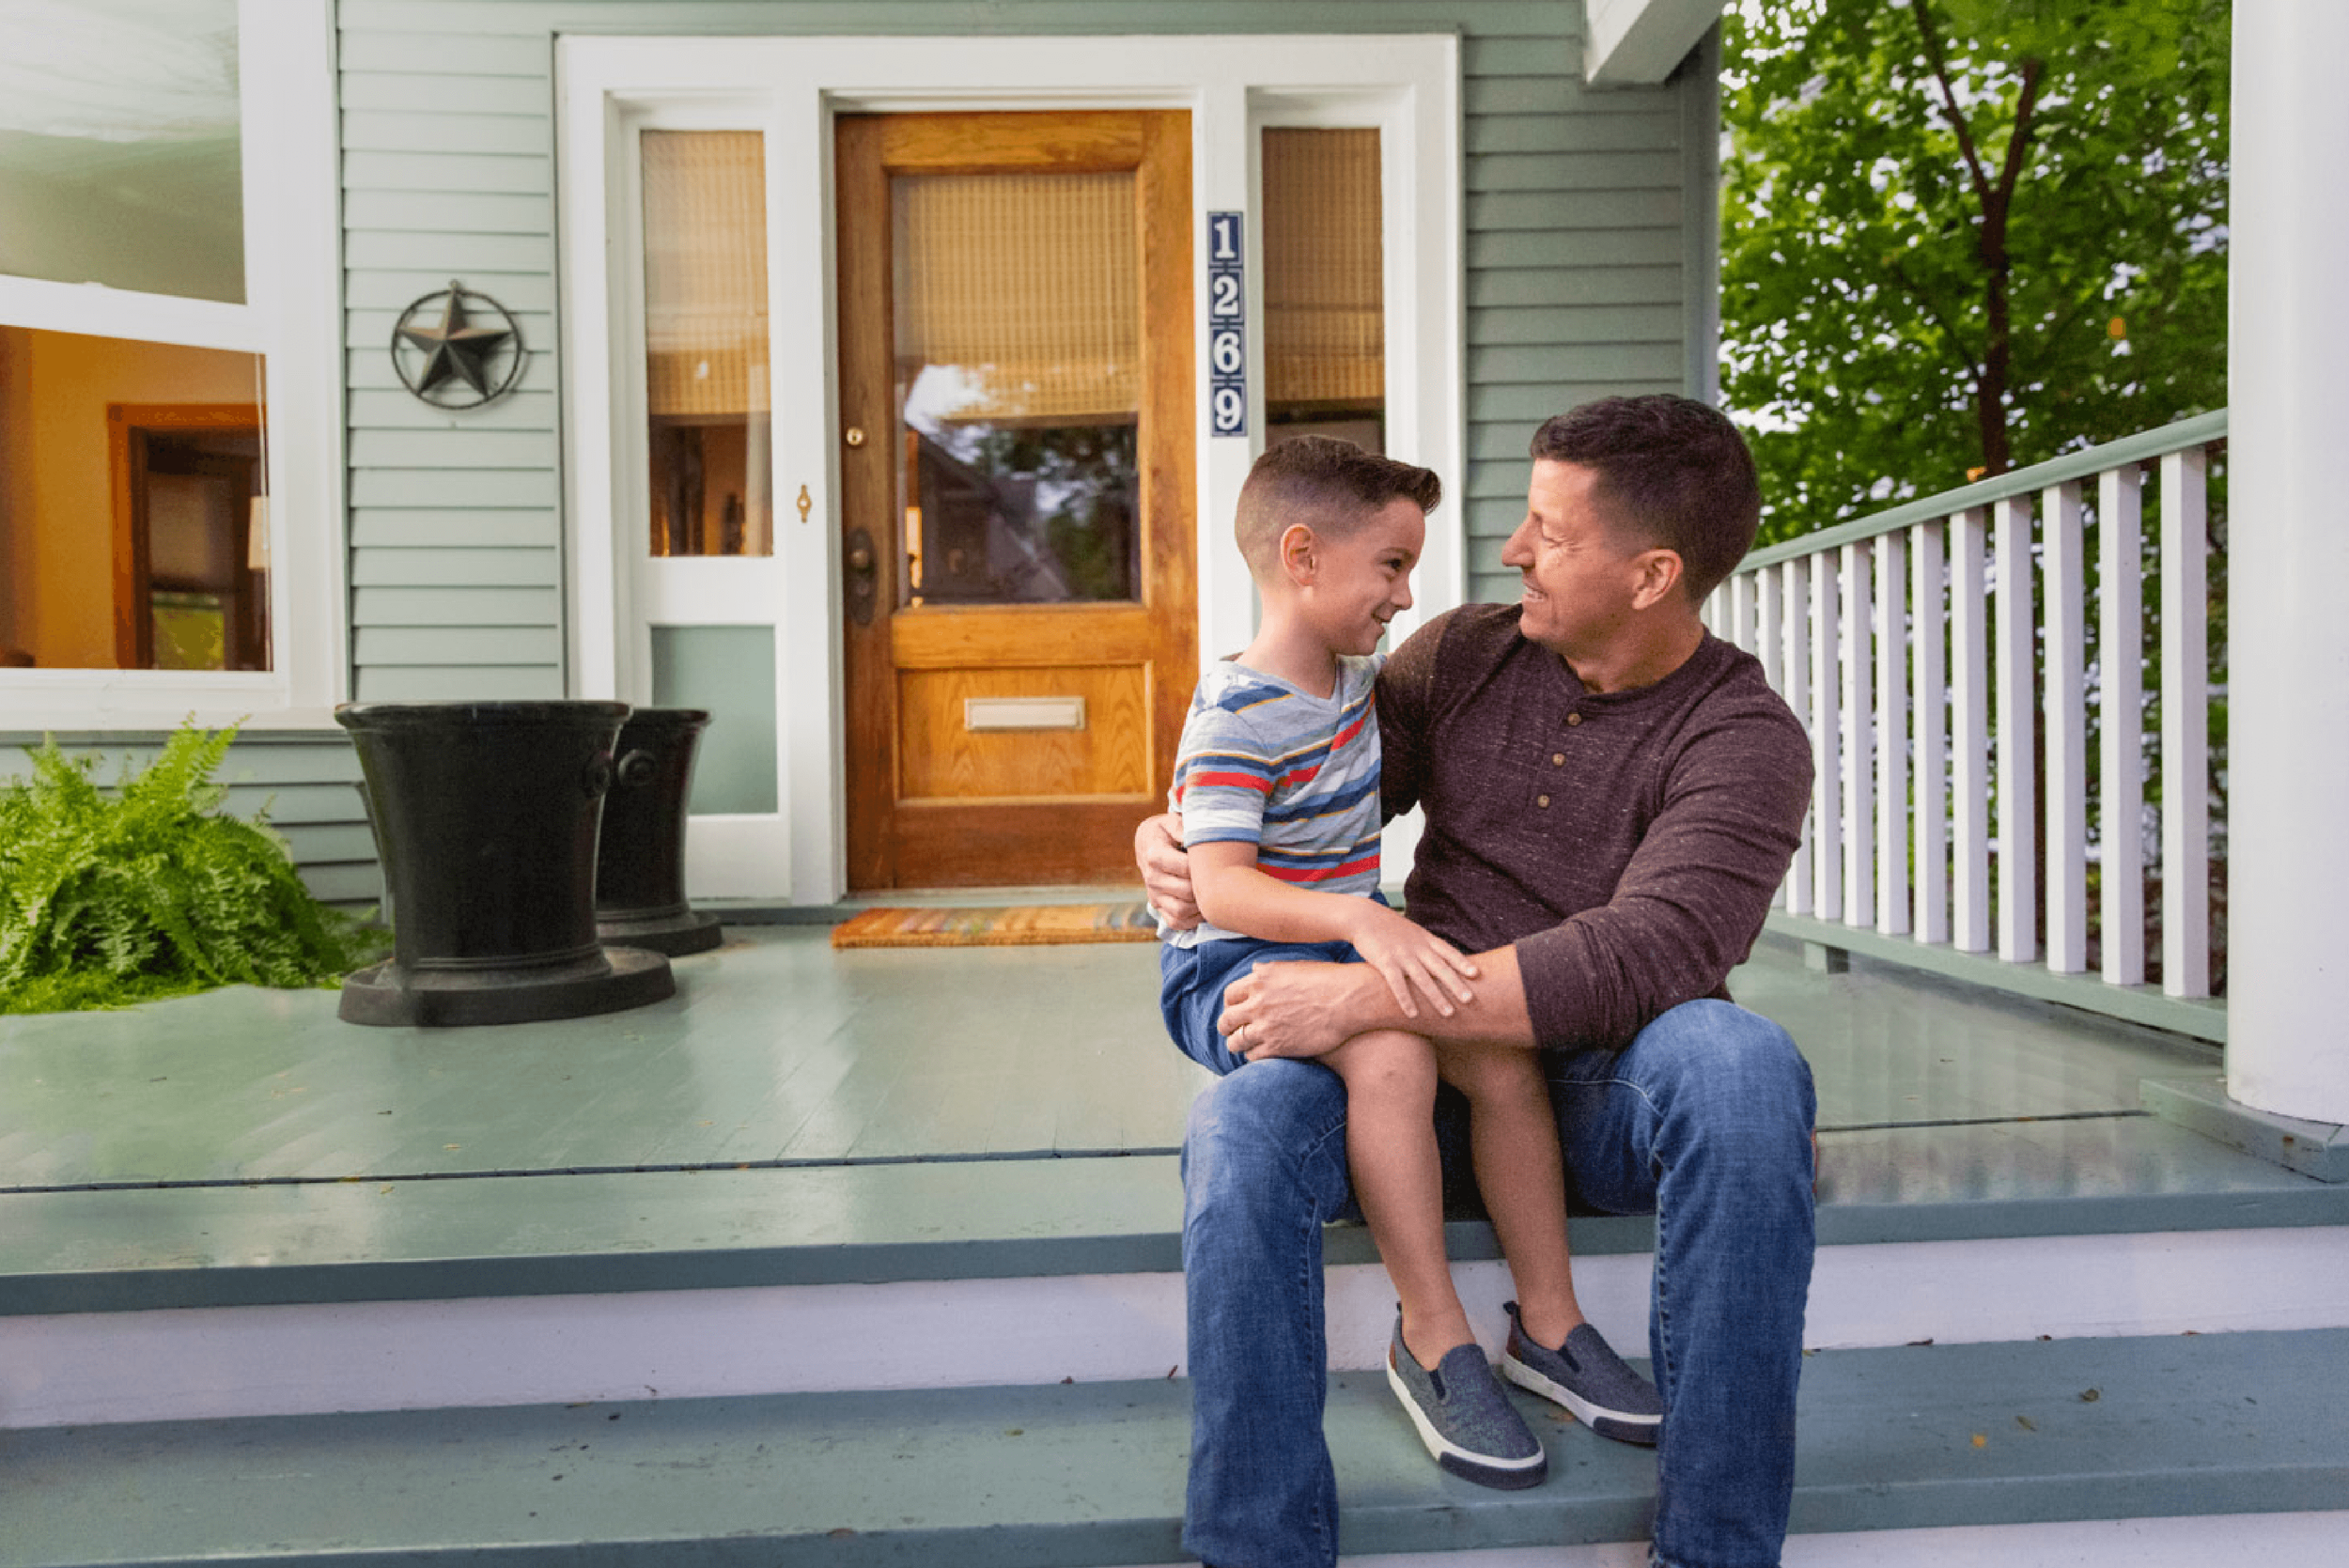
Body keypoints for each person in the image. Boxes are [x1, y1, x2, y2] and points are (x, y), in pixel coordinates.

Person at [1140, 396, 1817, 1568]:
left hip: (1598, 1094)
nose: (1511, 550)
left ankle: (1715, 1548)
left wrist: (1365, 993)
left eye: (1548, 531)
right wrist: (1170, 839)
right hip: (1401, 1097)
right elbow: (1299, 796)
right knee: (1241, 1126)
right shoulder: (1460, 653)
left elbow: (1645, 953)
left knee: (1742, 1069)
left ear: (1652, 573)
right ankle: (1258, 1545)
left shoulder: (1743, 737)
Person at [1157, 436, 1663, 1496]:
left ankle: (1550, 1323)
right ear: (1302, 555)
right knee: (1391, 1056)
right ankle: (1434, 1336)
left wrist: (1361, 926)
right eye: (1389, 564)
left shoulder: (1359, 688)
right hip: (1237, 962)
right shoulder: (1234, 713)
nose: (1405, 590)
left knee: (1495, 1052)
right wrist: (1355, 914)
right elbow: (1222, 885)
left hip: (1342, 938)